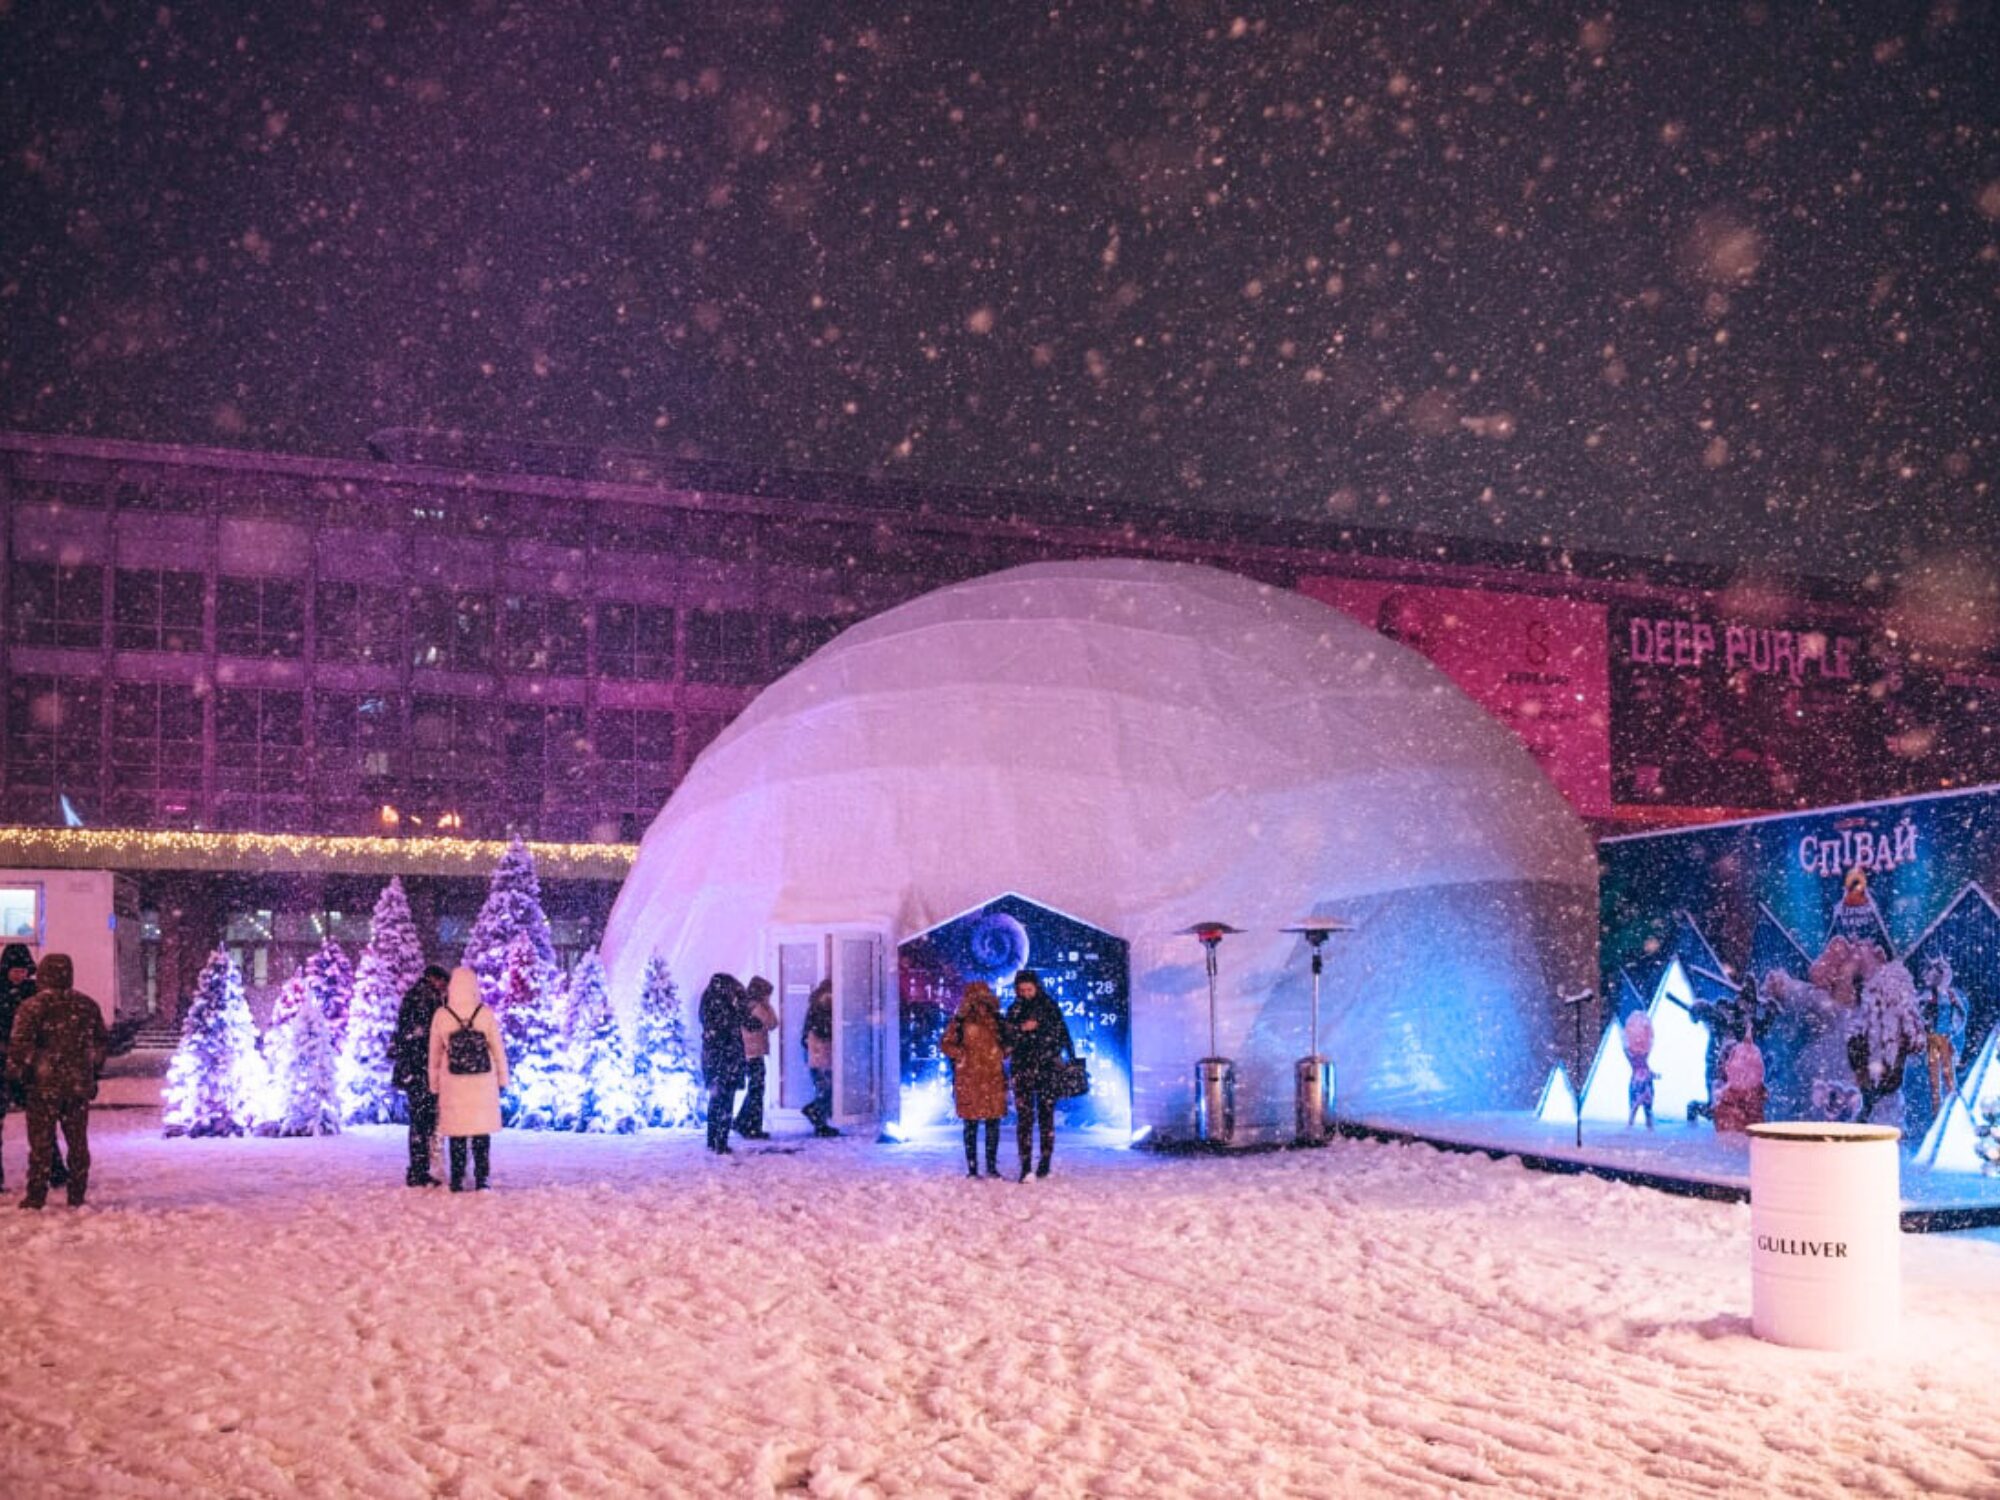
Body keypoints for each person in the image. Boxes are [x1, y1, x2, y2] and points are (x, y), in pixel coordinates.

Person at [6, 953, 107, 1209]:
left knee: (41, 1144)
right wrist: (91, 1072)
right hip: (77, 1085)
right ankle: (77, 1193)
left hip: (43, 1085)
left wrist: (23, 1071)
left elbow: (19, 1046)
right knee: (78, 1143)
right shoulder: (87, 1005)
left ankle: (36, 1194)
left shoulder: (32, 1007)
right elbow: (100, 1044)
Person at [427, 967, 507, 1191]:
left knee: (457, 1133)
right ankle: (482, 1179)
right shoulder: (484, 1013)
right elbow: (498, 1049)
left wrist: (434, 1084)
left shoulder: (442, 1015)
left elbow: (434, 1054)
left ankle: (457, 1178)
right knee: (481, 1132)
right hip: (482, 1083)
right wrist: (502, 1078)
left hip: (453, 1082)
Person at [1002, 968, 1075, 1180]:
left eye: (1029, 989)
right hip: (1022, 1068)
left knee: (1046, 1116)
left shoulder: (1049, 1007)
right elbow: (1007, 1038)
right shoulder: (1014, 1009)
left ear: (1037, 988)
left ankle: (1044, 1162)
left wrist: (1039, 1029)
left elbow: (1061, 1036)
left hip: (1046, 1068)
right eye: (1022, 990)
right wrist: (1021, 1030)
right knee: (1024, 1118)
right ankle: (1025, 1166)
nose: (1025, 994)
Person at [939, 980, 1008, 1178]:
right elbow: (946, 1044)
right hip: (972, 1078)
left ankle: (987, 1167)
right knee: (973, 1124)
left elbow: (1008, 1043)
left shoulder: (996, 1020)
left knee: (989, 1123)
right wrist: (962, 1054)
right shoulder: (960, 1021)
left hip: (988, 1077)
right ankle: (976, 1168)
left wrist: (999, 1053)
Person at [391, 965, 451, 1187]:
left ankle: (419, 1168)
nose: (444, 988)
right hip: (420, 1069)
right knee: (422, 1120)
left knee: (421, 1119)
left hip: (414, 1069)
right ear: (434, 979)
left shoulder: (416, 996)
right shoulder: (425, 998)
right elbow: (425, 1035)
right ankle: (418, 1170)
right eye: (442, 983)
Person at [698, 973, 747, 1154]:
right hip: (726, 1058)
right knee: (726, 1100)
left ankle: (713, 1139)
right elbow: (737, 1022)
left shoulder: (708, 1000)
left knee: (716, 1098)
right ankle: (721, 1142)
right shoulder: (724, 1006)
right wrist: (740, 1001)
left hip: (713, 1058)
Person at [734, 976, 778, 1141]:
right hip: (754, 1053)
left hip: (746, 1053)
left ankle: (743, 1122)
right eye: (767, 995)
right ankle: (751, 1126)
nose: (768, 998)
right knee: (757, 1091)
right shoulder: (758, 1008)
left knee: (755, 1090)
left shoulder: (743, 1005)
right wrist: (767, 1006)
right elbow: (773, 1023)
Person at [801, 979, 838, 1138]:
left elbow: (811, 1029)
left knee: (824, 1087)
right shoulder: (825, 1002)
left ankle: (820, 1123)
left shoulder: (816, 1003)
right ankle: (815, 1113)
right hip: (821, 1049)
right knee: (827, 1087)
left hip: (815, 1049)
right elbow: (823, 1028)